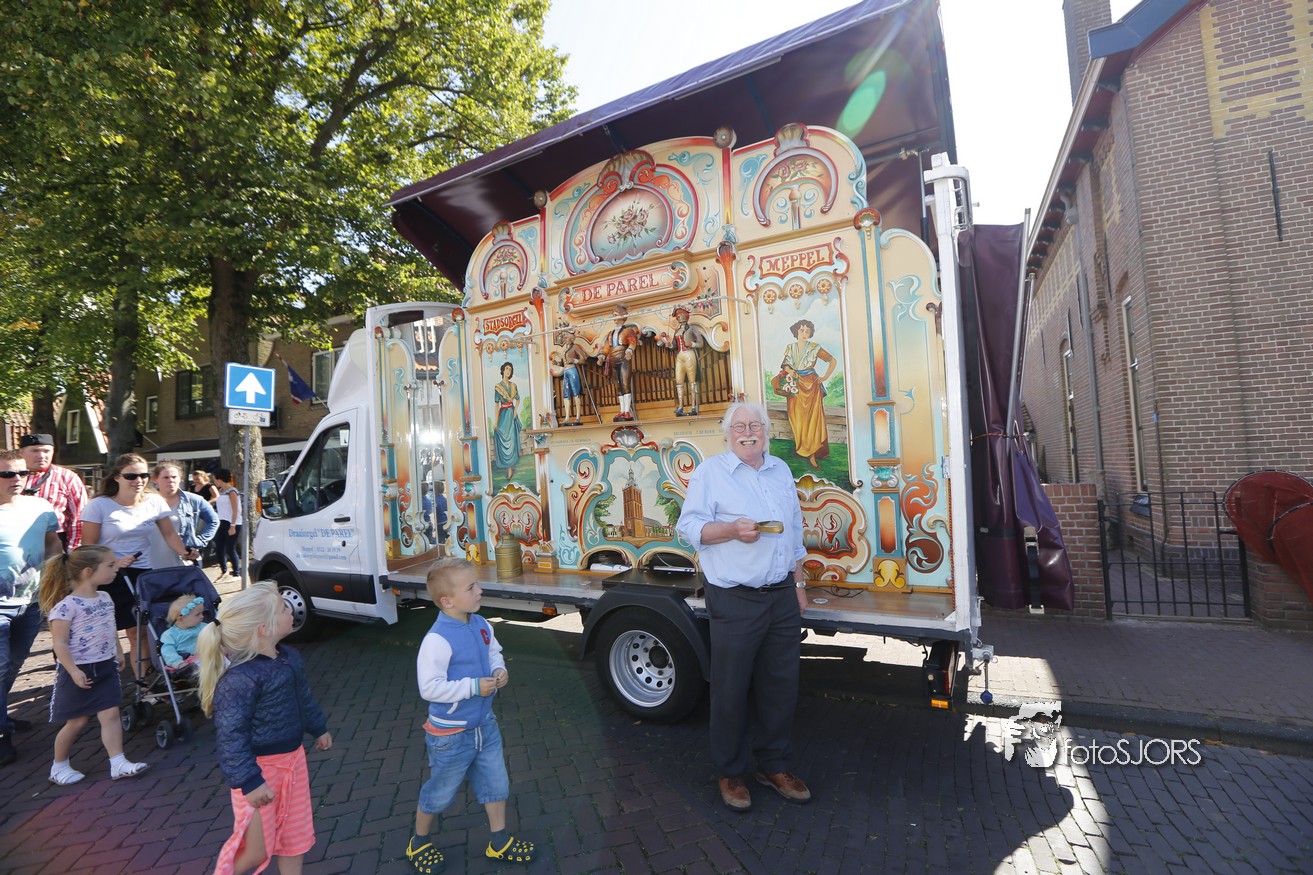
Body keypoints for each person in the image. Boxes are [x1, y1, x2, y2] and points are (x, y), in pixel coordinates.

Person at [675, 400, 811, 812]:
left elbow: (795, 530)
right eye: (740, 426)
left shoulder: (780, 469)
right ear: (728, 434)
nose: (748, 432)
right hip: (735, 598)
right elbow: (688, 528)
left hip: (781, 595)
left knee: (780, 686)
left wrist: (799, 584)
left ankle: (774, 765)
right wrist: (732, 530)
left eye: (755, 425)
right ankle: (730, 772)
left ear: (766, 432)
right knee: (731, 689)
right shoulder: (710, 473)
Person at [406, 559, 534, 873]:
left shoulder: (481, 624)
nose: (480, 591)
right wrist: (473, 686)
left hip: (484, 725)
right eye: (471, 587)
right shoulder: (437, 639)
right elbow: (429, 688)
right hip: (450, 735)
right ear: (447, 601)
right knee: (439, 792)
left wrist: (499, 669)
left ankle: (499, 841)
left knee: (496, 784)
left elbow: (493, 652)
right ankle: (418, 842)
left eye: (477, 584)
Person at [198, 582, 332, 875]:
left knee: (294, 841)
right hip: (259, 773)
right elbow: (231, 738)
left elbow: (303, 696)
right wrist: (250, 781)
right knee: (255, 852)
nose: (290, 609)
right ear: (264, 629)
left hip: (293, 763)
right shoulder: (240, 680)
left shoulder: (289, 657)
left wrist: (318, 727)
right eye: (283, 608)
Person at [37, 544, 150, 785]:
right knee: (77, 721)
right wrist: (73, 671)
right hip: (79, 670)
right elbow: (59, 643)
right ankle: (59, 765)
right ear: (88, 572)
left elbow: (109, 627)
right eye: (110, 565)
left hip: (105, 665)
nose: (115, 569)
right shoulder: (66, 606)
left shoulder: (105, 597)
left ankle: (118, 761)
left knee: (110, 714)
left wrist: (118, 650)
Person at [81, 453, 198, 681]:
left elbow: (169, 533)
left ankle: (143, 683)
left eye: (143, 475)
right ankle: (102, 680)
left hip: (142, 573)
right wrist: (114, 562)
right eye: (131, 476)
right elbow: (89, 546)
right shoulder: (99, 505)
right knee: (107, 632)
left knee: (140, 631)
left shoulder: (153, 501)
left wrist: (185, 552)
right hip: (108, 575)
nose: (139, 480)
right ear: (117, 477)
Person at [0, 450, 61, 766]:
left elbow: (52, 543)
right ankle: (2, 734)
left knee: (14, 663)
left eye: (22, 473)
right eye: (7, 474)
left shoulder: (40, 507)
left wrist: (57, 579)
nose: (17, 479)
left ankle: (2, 715)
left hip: (31, 601)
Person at [772, 319, 836, 468]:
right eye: (802, 330)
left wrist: (824, 377)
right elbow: (785, 365)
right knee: (796, 417)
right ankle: (802, 448)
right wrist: (790, 371)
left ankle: (812, 453)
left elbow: (832, 360)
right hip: (795, 385)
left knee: (813, 419)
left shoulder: (815, 347)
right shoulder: (790, 347)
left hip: (812, 386)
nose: (805, 333)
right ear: (796, 331)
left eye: (808, 331)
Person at [19, 433, 88, 549]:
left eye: (46, 451)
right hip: (16, 537)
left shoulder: (68, 477)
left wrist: (73, 550)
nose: (41, 456)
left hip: (54, 541)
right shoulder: (9, 476)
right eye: (35, 451)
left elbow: (79, 516)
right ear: (21, 452)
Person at [148, 461, 219, 571]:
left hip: (185, 562)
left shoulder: (194, 500)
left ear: (180, 479)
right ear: (156, 480)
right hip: (152, 564)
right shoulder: (146, 501)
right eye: (166, 477)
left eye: (174, 477)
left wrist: (199, 542)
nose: (170, 480)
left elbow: (214, 521)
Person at [662, 307, 709, 416]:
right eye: (678, 315)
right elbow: (674, 346)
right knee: (679, 381)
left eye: (681, 314)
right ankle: (680, 406)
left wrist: (692, 344)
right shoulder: (677, 331)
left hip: (689, 354)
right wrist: (668, 343)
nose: (680, 316)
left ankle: (693, 406)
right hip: (679, 355)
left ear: (686, 315)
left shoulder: (692, 329)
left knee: (692, 381)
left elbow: (701, 343)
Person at [596, 304, 640, 422]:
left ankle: (627, 411)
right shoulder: (610, 333)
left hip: (623, 358)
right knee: (618, 386)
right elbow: (606, 347)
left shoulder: (628, 330)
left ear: (622, 316)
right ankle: (621, 410)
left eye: (616, 315)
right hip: (612, 359)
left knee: (625, 384)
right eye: (613, 315)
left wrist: (629, 350)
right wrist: (601, 356)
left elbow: (633, 342)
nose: (614, 318)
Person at [551, 327, 591, 426]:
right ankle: (567, 417)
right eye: (564, 337)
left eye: (566, 337)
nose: (565, 339)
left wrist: (574, 360)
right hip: (566, 372)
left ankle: (578, 416)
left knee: (576, 392)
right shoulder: (565, 349)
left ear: (571, 338)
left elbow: (583, 359)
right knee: (566, 394)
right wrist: (557, 363)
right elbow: (563, 363)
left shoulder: (575, 347)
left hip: (573, 370)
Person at [160, 593, 208, 675]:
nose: (202, 616)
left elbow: (214, 637)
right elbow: (168, 651)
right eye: (198, 614)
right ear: (181, 618)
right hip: (186, 663)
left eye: (202, 613)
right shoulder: (170, 634)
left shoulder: (203, 627)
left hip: (207, 656)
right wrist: (178, 663)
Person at [491, 362, 522, 481]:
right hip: (503, 415)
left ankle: (510, 468)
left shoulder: (513, 386)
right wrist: (496, 421)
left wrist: (515, 411)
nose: (508, 371)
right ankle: (505, 464)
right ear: (503, 370)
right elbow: (496, 405)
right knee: (503, 437)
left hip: (511, 414)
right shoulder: (498, 387)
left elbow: (518, 400)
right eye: (507, 369)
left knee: (512, 440)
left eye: (510, 369)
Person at [213, 469, 243, 580]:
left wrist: (233, 526)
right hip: (223, 522)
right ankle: (224, 571)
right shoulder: (221, 491)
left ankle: (237, 573)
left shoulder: (232, 491)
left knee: (230, 548)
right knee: (219, 547)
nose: (214, 482)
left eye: (215, 479)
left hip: (233, 523)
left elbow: (235, 510)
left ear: (219, 479)